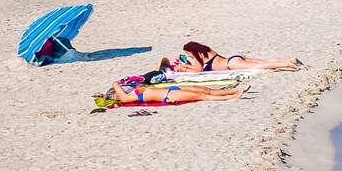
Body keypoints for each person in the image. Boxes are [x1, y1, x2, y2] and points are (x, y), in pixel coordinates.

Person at [94, 74, 247, 109]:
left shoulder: (129, 93)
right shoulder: (126, 98)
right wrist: (114, 83)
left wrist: (103, 95)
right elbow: (119, 94)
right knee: (202, 96)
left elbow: (118, 93)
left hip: (171, 89)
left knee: (205, 89)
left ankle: (235, 91)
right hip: (168, 96)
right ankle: (233, 97)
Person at [177, 41, 302, 72]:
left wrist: (184, 68)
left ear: (191, 50)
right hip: (233, 57)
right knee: (263, 61)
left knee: (262, 66)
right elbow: (201, 64)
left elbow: (198, 70)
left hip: (231, 64)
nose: (188, 55)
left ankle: (287, 64)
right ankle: (289, 60)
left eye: (187, 53)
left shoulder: (196, 54)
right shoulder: (205, 50)